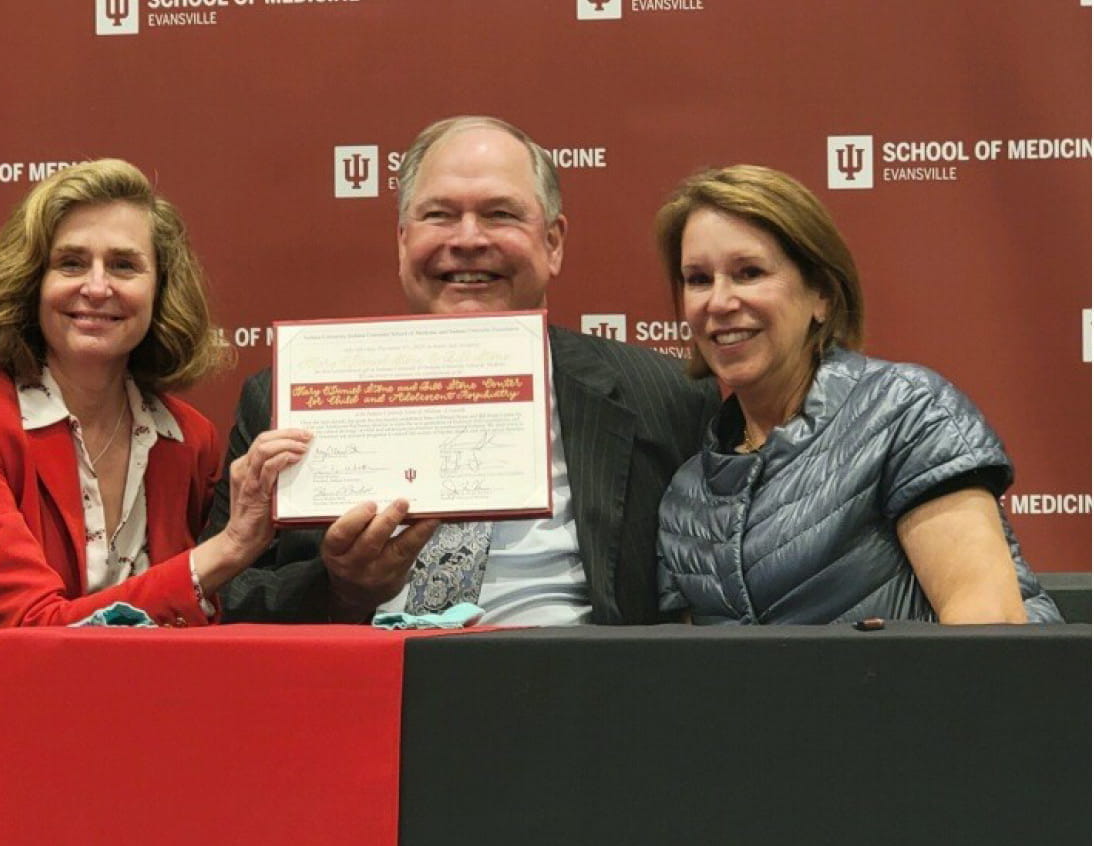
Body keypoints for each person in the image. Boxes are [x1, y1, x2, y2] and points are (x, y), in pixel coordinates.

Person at [206, 116, 718, 625]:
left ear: (554, 243)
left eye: (499, 214)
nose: (469, 239)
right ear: (403, 242)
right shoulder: (285, 400)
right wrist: (343, 590)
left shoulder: (662, 396)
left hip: (577, 689)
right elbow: (221, 596)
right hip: (368, 690)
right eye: (440, 215)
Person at [0, 159, 310, 630]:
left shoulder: (189, 439)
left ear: (161, 290)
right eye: (71, 263)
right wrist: (228, 548)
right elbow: (33, 627)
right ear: (31, 281)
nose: (98, 287)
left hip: (134, 698)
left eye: (124, 266)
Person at [653, 164, 1060, 624]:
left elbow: (988, 627)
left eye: (749, 273)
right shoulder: (685, 497)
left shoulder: (904, 413)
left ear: (821, 294)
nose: (720, 302)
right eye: (698, 279)